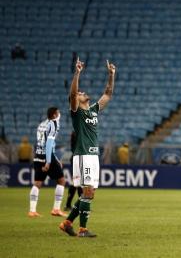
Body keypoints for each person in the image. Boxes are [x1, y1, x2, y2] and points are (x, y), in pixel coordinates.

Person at [59, 57, 116, 238]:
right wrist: (77, 72)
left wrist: (111, 75)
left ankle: (67, 223)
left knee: (90, 193)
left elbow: (108, 94)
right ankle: (83, 230)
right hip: (83, 155)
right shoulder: (77, 111)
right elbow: (73, 93)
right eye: (80, 92)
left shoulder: (92, 110)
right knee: (88, 191)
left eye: (83, 92)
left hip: (92, 156)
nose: (83, 92)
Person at [28, 107, 67, 218]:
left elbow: (42, 142)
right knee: (61, 181)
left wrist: (56, 158)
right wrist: (49, 161)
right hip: (47, 156)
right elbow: (49, 143)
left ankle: (32, 210)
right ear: (54, 115)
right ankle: (56, 209)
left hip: (38, 155)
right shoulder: (54, 124)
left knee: (38, 183)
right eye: (58, 113)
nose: (60, 115)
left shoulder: (41, 124)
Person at [64, 131, 83, 211]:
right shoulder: (79, 133)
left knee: (77, 181)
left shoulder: (75, 133)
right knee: (78, 181)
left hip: (76, 157)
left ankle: (70, 205)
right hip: (78, 157)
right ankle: (81, 205)